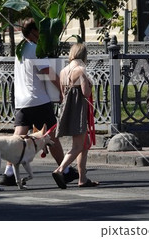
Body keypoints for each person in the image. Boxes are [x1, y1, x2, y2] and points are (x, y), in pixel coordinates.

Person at [0, 18, 79, 186]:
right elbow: (48, 73)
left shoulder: (20, 50)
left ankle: (9, 173)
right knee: (51, 136)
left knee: (17, 138)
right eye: (40, 32)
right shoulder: (35, 49)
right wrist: (63, 89)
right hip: (37, 100)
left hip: (21, 101)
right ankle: (64, 171)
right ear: (34, 32)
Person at [52, 43, 99, 189]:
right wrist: (91, 84)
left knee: (83, 146)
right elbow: (85, 93)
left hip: (67, 109)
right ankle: (60, 170)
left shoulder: (63, 71)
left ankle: (82, 179)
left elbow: (62, 92)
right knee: (78, 145)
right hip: (79, 110)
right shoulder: (81, 70)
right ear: (84, 55)